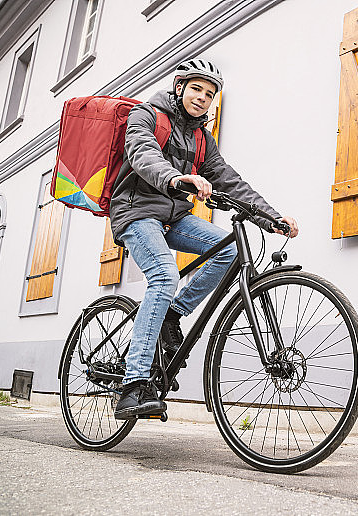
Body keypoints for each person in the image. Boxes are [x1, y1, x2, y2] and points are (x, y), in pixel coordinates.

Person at [109, 58, 298, 419]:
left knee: (227, 250)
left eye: (210, 94)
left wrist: (272, 218)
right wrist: (177, 179)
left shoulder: (201, 139)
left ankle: (172, 314)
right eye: (196, 88)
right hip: (136, 212)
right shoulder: (146, 116)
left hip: (174, 216)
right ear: (179, 88)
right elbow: (142, 155)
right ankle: (133, 386)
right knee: (164, 275)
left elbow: (229, 180)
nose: (202, 98)